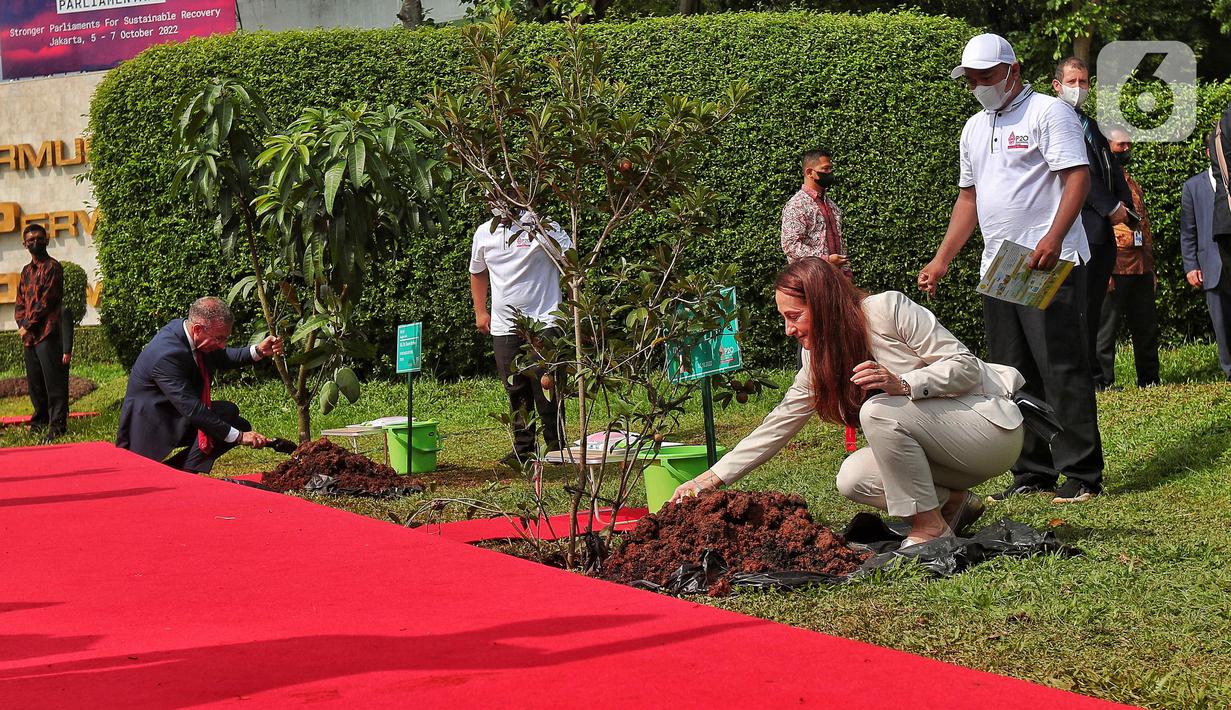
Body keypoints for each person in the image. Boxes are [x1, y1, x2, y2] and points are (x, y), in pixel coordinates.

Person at [669, 258, 1025, 548]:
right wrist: (710, 479)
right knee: (854, 478)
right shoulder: (818, 359)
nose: (789, 329)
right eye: (785, 319)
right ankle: (952, 503)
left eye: (795, 316)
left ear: (823, 305)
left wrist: (903, 383)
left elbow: (963, 365)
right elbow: (777, 425)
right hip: (943, 455)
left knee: (878, 409)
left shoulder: (887, 308)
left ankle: (930, 528)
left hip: (989, 432)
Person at [917, 33, 1105, 504]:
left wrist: (1054, 237)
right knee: (1012, 372)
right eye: (972, 79)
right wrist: (941, 260)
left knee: (1059, 366)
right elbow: (969, 198)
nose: (979, 85)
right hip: (1000, 266)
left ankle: (1081, 472)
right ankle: (1032, 470)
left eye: (987, 76)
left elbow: (1077, 177)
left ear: (1013, 70)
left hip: (1046, 260)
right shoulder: (973, 128)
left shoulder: (1048, 112)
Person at [116, 297, 282, 472]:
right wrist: (240, 437)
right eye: (219, 338)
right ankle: (174, 474)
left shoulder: (189, 333)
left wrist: (258, 351)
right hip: (153, 427)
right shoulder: (166, 355)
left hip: (176, 414)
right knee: (234, 429)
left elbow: (222, 356)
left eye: (225, 339)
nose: (222, 344)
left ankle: (180, 471)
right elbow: (192, 409)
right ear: (197, 329)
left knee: (231, 416)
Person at [1051, 57, 1134, 387]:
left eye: (1084, 82)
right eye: (1072, 82)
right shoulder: (1053, 120)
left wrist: (1126, 206)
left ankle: (1095, 375)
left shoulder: (1090, 124)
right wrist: (1110, 207)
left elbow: (1109, 169)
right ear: (1057, 85)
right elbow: (1076, 174)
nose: (1079, 88)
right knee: (1078, 309)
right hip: (1076, 228)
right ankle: (1085, 376)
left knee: (1093, 309)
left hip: (1101, 234)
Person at [470, 209, 572, 465]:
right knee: (515, 388)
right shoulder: (484, 232)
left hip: (546, 319)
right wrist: (481, 312)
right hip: (505, 326)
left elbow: (571, 262)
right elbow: (478, 271)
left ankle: (556, 447)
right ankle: (523, 449)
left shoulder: (545, 225)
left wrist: (573, 310)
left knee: (548, 386)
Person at [1095, 128, 1160, 388]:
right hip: (1116, 267)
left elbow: (1142, 227)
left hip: (1141, 267)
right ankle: (1104, 382)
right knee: (1106, 331)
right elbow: (1101, 228)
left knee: (1146, 327)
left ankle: (1150, 379)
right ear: (1108, 147)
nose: (1126, 149)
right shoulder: (1103, 182)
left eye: (1128, 144)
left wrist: (1151, 268)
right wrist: (1104, 271)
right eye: (1121, 145)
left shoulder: (1130, 181)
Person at [1181, 136, 1231, 381]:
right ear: (1206, 151)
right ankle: (1229, 368)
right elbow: (1188, 230)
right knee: (1221, 321)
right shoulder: (1193, 186)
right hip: (1212, 265)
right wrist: (1191, 265)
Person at [14, 224, 67, 443]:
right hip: (30, 337)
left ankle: (57, 426)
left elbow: (46, 301)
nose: (35, 242)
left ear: (46, 240)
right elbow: (20, 302)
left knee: (53, 382)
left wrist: (27, 325)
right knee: (35, 383)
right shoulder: (26, 271)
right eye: (31, 240)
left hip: (47, 333)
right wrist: (22, 327)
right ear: (25, 244)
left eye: (39, 238)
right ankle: (39, 422)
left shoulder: (52, 267)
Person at [780, 148, 850, 274]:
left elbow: (840, 243)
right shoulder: (797, 205)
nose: (830, 172)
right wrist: (825, 260)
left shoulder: (832, 205)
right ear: (810, 173)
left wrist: (846, 272)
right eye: (825, 169)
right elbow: (790, 245)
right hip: (810, 280)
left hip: (836, 279)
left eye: (830, 168)